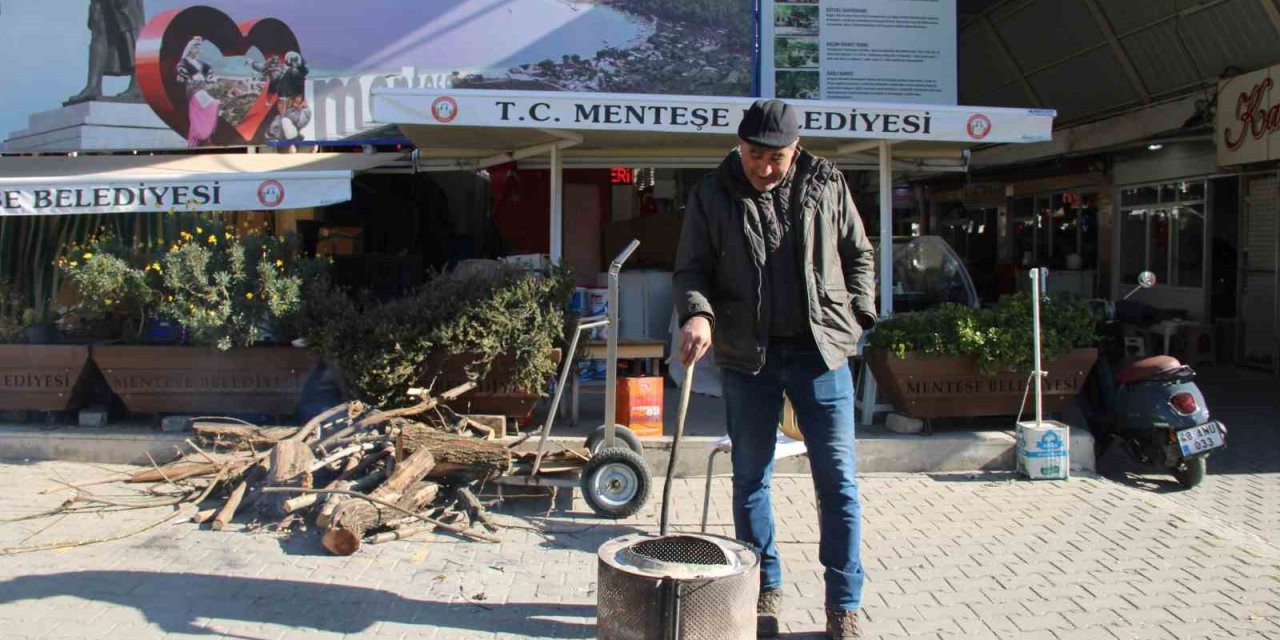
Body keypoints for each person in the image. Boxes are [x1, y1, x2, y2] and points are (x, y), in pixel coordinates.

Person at [672, 99, 876, 639]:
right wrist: (697, 313)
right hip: (748, 357)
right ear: (739, 146)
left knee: (838, 483)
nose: (764, 167)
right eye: (754, 155)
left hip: (822, 356)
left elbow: (859, 253)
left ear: (797, 149)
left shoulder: (827, 183)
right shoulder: (711, 194)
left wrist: (858, 312)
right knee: (750, 480)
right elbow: (691, 268)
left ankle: (843, 603)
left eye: (777, 157)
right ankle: (763, 589)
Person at [176, 37, 220, 148]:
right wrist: (190, 77)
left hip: (201, 88)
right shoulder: (185, 61)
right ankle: (202, 135)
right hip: (194, 89)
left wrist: (210, 78)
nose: (198, 50)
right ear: (190, 49)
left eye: (199, 48)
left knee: (207, 110)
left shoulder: (200, 63)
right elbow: (180, 69)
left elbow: (209, 71)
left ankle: (203, 135)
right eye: (195, 48)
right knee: (213, 104)